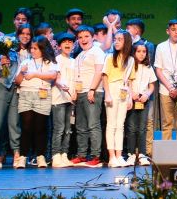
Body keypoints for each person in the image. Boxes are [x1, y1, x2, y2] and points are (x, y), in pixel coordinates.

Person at [0, 24, 28, 168]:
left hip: (17, 88)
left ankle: (16, 152)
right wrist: (1, 62)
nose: (25, 36)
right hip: (3, 85)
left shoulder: (30, 51)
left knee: (14, 122)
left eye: (28, 34)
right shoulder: (8, 46)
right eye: (22, 33)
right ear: (17, 34)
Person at [15, 36, 57, 168]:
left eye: (36, 48)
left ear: (43, 49)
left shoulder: (50, 62)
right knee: (26, 127)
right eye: (31, 48)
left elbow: (53, 75)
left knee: (40, 128)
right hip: (26, 94)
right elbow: (17, 81)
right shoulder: (25, 62)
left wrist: (34, 74)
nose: (32, 50)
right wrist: (22, 73)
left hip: (42, 95)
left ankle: (40, 157)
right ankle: (22, 157)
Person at [70, 25, 105, 167]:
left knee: (93, 124)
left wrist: (92, 89)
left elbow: (99, 72)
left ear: (93, 37)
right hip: (81, 92)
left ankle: (96, 156)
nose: (83, 40)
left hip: (93, 92)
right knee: (80, 126)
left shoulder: (97, 51)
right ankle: (82, 155)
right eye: (80, 37)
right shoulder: (79, 55)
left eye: (86, 36)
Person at [154, 19, 177, 141]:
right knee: (167, 122)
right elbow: (158, 70)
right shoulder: (161, 47)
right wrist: (170, 87)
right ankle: (167, 153)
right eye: (173, 30)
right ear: (167, 31)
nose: (176, 32)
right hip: (165, 89)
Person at [102, 30, 134, 167]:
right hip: (112, 89)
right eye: (115, 39)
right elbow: (105, 76)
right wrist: (107, 94)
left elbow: (130, 81)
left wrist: (130, 98)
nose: (116, 41)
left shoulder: (131, 60)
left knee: (120, 125)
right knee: (111, 125)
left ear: (126, 41)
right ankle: (112, 157)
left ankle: (119, 156)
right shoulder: (110, 57)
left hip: (124, 91)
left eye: (119, 39)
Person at [125, 18, 156, 155]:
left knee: (143, 128)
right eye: (138, 51)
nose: (142, 54)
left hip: (144, 100)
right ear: (134, 52)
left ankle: (142, 154)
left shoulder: (148, 67)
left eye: (144, 52)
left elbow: (152, 85)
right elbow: (128, 81)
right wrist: (132, 94)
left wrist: (147, 95)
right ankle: (132, 154)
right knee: (131, 128)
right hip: (132, 99)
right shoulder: (130, 65)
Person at [50, 32, 76, 168]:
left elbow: (77, 80)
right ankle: (55, 155)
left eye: (70, 42)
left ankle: (64, 154)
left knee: (68, 128)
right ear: (59, 46)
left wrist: (74, 93)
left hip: (70, 99)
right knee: (59, 128)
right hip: (58, 98)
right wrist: (60, 84)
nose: (67, 44)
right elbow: (56, 78)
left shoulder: (74, 61)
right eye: (64, 42)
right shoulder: (56, 60)